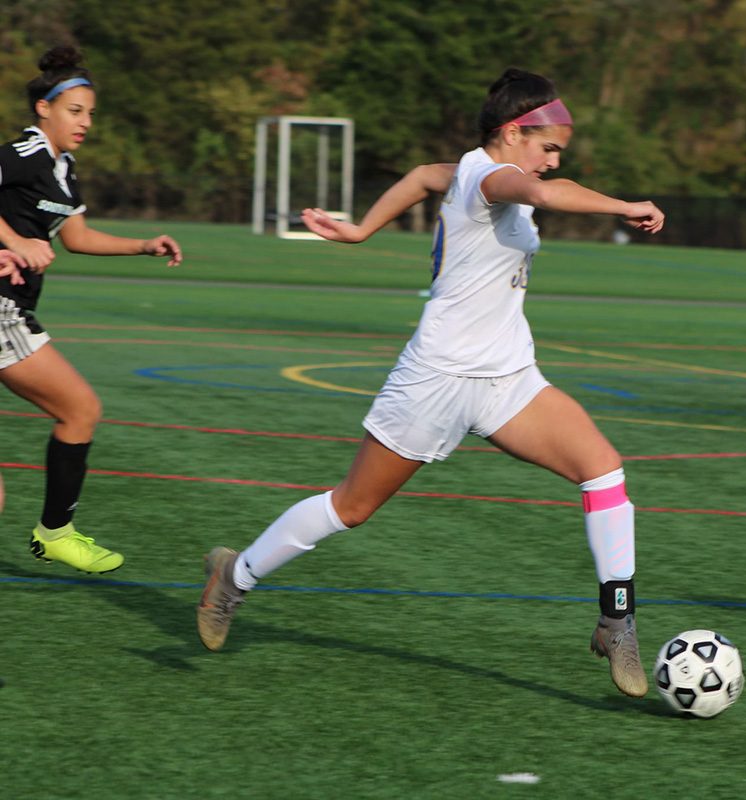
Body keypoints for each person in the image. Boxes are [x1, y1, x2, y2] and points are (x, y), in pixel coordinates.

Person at [197, 67, 664, 697]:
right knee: (351, 507)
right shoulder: (489, 175)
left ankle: (618, 620)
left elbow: (422, 176)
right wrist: (625, 204)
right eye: (548, 148)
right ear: (511, 132)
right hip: (436, 379)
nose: (553, 162)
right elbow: (546, 196)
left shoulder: (469, 172)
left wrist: (362, 229)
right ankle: (234, 576)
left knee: (604, 471)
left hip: (507, 377)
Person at [0, 46, 183, 574]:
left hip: (14, 311)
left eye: (91, 114)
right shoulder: (27, 152)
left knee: (78, 412)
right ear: (44, 109)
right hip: (2, 310)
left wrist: (143, 245)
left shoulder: (64, 169)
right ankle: (56, 533)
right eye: (75, 111)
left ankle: (56, 531)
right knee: (80, 409)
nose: (85, 122)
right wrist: (17, 241)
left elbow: (76, 236)